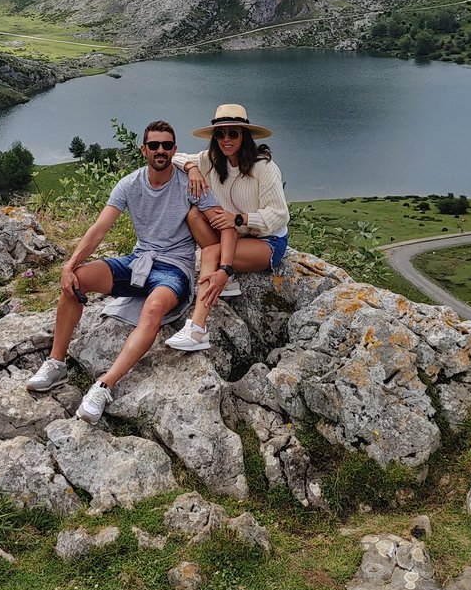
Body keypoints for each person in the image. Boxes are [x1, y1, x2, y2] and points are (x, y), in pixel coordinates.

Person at [26, 119, 236, 423]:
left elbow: (224, 225)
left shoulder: (190, 184)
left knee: (152, 310)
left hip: (173, 270)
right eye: (154, 145)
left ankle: (104, 386)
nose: (160, 150)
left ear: (174, 150)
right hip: (138, 261)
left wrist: (224, 269)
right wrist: (69, 266)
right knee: (76, 282)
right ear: (144, 150)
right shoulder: (130, 183)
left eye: (166, 145)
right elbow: (98, 230)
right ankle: (56, 363)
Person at [165, 103, 288, 352]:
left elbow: (279, 214)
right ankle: (227, 275)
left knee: (211, 252)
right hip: (232, 237)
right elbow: (173, 157)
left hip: (267, 241)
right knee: (194, 214)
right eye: (220, 134)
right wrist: (192, 169)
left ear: (245, 136)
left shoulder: (263, 168)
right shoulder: (210, 161)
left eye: (233, 133)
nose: (226, 139)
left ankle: (198, 328)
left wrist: (240, 219)